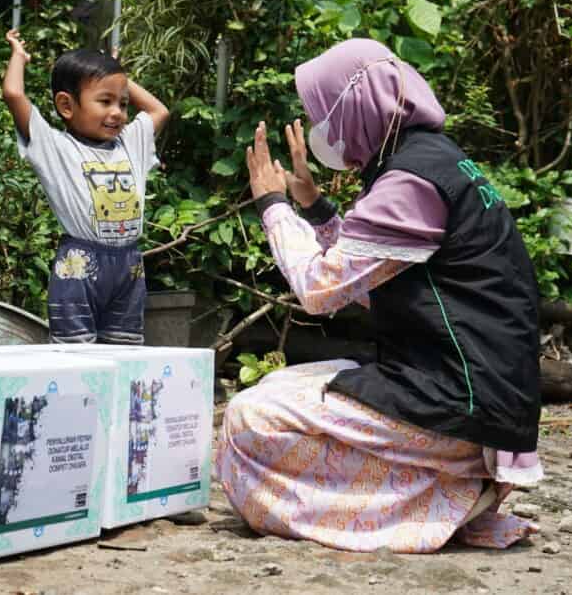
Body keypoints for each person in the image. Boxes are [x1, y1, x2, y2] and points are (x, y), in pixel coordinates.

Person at [216, 38, 544, 553]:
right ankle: (446, 490)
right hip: (473, 397)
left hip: (458, 405)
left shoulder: (409, 181)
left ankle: (436, 504)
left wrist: (273, 205)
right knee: (290, 381)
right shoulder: (433, 161)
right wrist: (315, 206)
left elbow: (321, 291)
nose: (322, 130)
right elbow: (372, 285)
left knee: (249, 417)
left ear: (356, 106)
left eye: (323, 114)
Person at [2, 29, 169, 344]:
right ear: (66, 106)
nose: (117, 112)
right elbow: (13, 94)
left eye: (122, 103)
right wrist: (19, 57)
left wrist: (115, 75)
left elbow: (159, 111)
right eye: (105, 101)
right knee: (74, 358)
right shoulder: (54, 147)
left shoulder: (130, 143)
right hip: (79, 266)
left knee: (124, 353)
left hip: (129, 268)